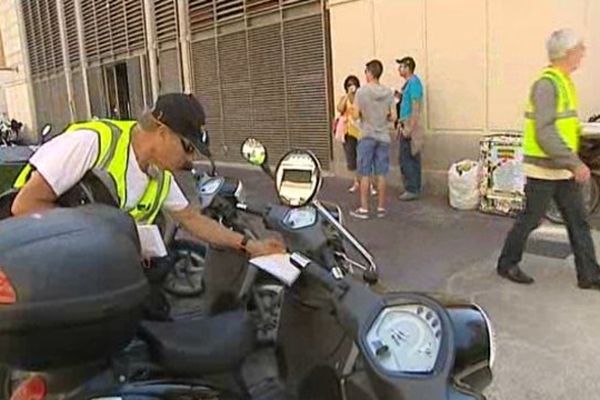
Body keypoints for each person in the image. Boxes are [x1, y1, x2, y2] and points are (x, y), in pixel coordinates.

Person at [10, 93, 285, 259]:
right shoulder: (93, 143)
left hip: (105, 267)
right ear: (162, 131)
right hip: (44, 263)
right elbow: (24, 206)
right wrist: (98, 232)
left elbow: (191, 219)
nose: (190, 161)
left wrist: (251, 245)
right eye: (187, 148)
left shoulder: (159, 174)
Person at [496, 29, 600, 289]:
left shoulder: (564, 81)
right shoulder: (547, 84)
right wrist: (574, 162)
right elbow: (544, 132)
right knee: (531, 219)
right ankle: (507, 263)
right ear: (567, 53)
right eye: (580, 49)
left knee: (578, 220)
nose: (583, 54)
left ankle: (589, 275)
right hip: (543, 170)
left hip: (561, 169)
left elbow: (564, 126)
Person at [350, 59, 396, 219]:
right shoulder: (389, 93)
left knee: (364, 173)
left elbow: (355, 114)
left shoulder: (361, 92)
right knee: (381, 173)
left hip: (366, 135)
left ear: (369, 73)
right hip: (383, 135)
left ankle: (364, 208)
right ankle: (381, 207)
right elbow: (393, 116)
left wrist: (362, 114)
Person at [396, 56, 424, 201]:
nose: (399, 69)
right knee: (408, 156)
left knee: (407, 157)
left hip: (409, 123)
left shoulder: (414, 83)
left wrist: (409, 128)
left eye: (401, 66)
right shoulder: (408, 84)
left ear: (408, 67)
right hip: (404, 122)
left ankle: (412, 188)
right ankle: (412, 187)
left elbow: (416, 106)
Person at [337, 75, 362, 192]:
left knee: (363, 158)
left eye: (353, 84)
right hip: (348, 131)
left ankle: (369, 183)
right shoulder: (345, 98)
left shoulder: (361, 98)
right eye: (348, 85)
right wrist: (347, 95)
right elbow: (339, 108)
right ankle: (356, 182)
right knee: (352, 158)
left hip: (360, 131)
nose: (351, 87)